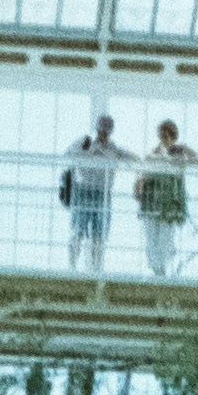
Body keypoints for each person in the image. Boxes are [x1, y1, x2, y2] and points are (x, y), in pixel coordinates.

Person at [58, 112, 126, 275]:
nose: (103, 134)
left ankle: (97, 269)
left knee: (99, 233)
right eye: (101, 130)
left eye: (106, 131)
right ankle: (72, 267)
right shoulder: (84, 141)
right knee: (78, 230)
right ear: (97, 129)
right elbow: (67, 154)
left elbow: (130, 158)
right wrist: (84, 150)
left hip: (103, 194)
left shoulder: (113, 148)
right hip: (83, 191)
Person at [135, 118, 198, 276]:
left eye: (168, 135)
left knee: (166, 238)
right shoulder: (153, 154)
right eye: (162, 135)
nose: (165, 139)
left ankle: (162, 270)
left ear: (173, 136)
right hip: (151, 202)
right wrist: (139, 187)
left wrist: (185, 151)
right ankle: (157, 270)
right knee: (151, 238)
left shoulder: (180, 154)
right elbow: (142, 175)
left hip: (170, 203)